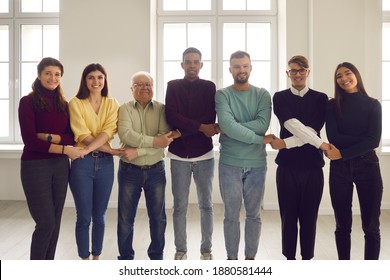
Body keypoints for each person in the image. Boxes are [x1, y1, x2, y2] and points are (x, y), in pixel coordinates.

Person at [18, 57, 87, 260]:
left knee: (55, 221)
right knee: (46, 222)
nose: (53, 77)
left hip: (59, 167)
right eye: (48, 73)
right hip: (34, 166)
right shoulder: (27, 102)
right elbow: (31, 141)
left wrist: (49, 137)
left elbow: (72, 136)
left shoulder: (64, 105)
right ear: (39, 75)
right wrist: (65, 149)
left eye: (57, 74)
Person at [265, 55, 329, 260]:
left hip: (313, 167)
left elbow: (312, 130)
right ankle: (289, 259)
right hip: (287, 167)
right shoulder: (280, 97)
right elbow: (292, 124)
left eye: (302, 70)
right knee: (288, 217)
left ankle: (307, 260)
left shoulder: (321, 98)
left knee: (309, 218)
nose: (298, 74)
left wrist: (285, 143)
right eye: (293, 70)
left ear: (308, 73)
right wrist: (319, 142)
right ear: (288, 74)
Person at [215, 50, 271, 260]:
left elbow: (262, 124)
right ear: (230, 69)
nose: (241, 70)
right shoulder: (223, 94)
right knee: (231, 215)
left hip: (257, 164)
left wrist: (231, 128)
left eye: (245, 66)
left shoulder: (262, 94)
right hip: (230, 163)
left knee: (253, 215)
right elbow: (251, 129)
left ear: (251, 67)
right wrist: (257, 138)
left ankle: (250, 260)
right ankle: (232, 260)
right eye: (237, 66)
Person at [117, 71, 179, 260]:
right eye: (139, 84)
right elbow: (126, 135)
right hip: (129, 171)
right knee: (126, 219)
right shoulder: (124, 109)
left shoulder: (162, 109)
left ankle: (156, 258)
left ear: (153, 87)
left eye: (148, 84)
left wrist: (139, 151)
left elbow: (165, 140)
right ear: (131, 89)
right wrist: (155, 142)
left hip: (155, 171)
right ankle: (126, 259)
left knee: (158, 218)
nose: (144, 88)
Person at [165, 47, 219, 260]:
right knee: (179, 206)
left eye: (196, 62)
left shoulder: (209, 87)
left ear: (201, 65)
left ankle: (206, 250)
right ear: (182, 64)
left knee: (206, 205)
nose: (192, 65)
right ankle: (181, 249)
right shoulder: (173, 86)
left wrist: (181, 131)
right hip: (178, 156)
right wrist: (199, 127)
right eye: (188, 62)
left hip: (204, 155)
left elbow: (209, 116)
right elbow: (171, 115)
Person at [325, 62, 383, 260]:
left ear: (356, 75)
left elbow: (374, 140)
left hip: (368, 167)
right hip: (339, 169)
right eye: (338, 75)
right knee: (342, 225)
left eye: (347, 73)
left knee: (371, 226)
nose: (343, 78)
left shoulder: (373, 104)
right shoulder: (332, 105)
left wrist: (342, 153)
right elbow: (334, 136)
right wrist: (364, 141)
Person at [69, 63, 121, 260]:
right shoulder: (76, 103)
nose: (96, 81)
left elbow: (108, 131)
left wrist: (90, 149)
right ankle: (84, 259)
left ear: (105, 80)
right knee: (83, 216)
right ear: (85, 80)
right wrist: (111, 150)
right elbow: (81, 134)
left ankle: (97, 257)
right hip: (82, 165)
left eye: (100, 77)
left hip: (105, 164)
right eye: (91, 77)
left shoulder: (112, 103)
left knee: (100, 216)